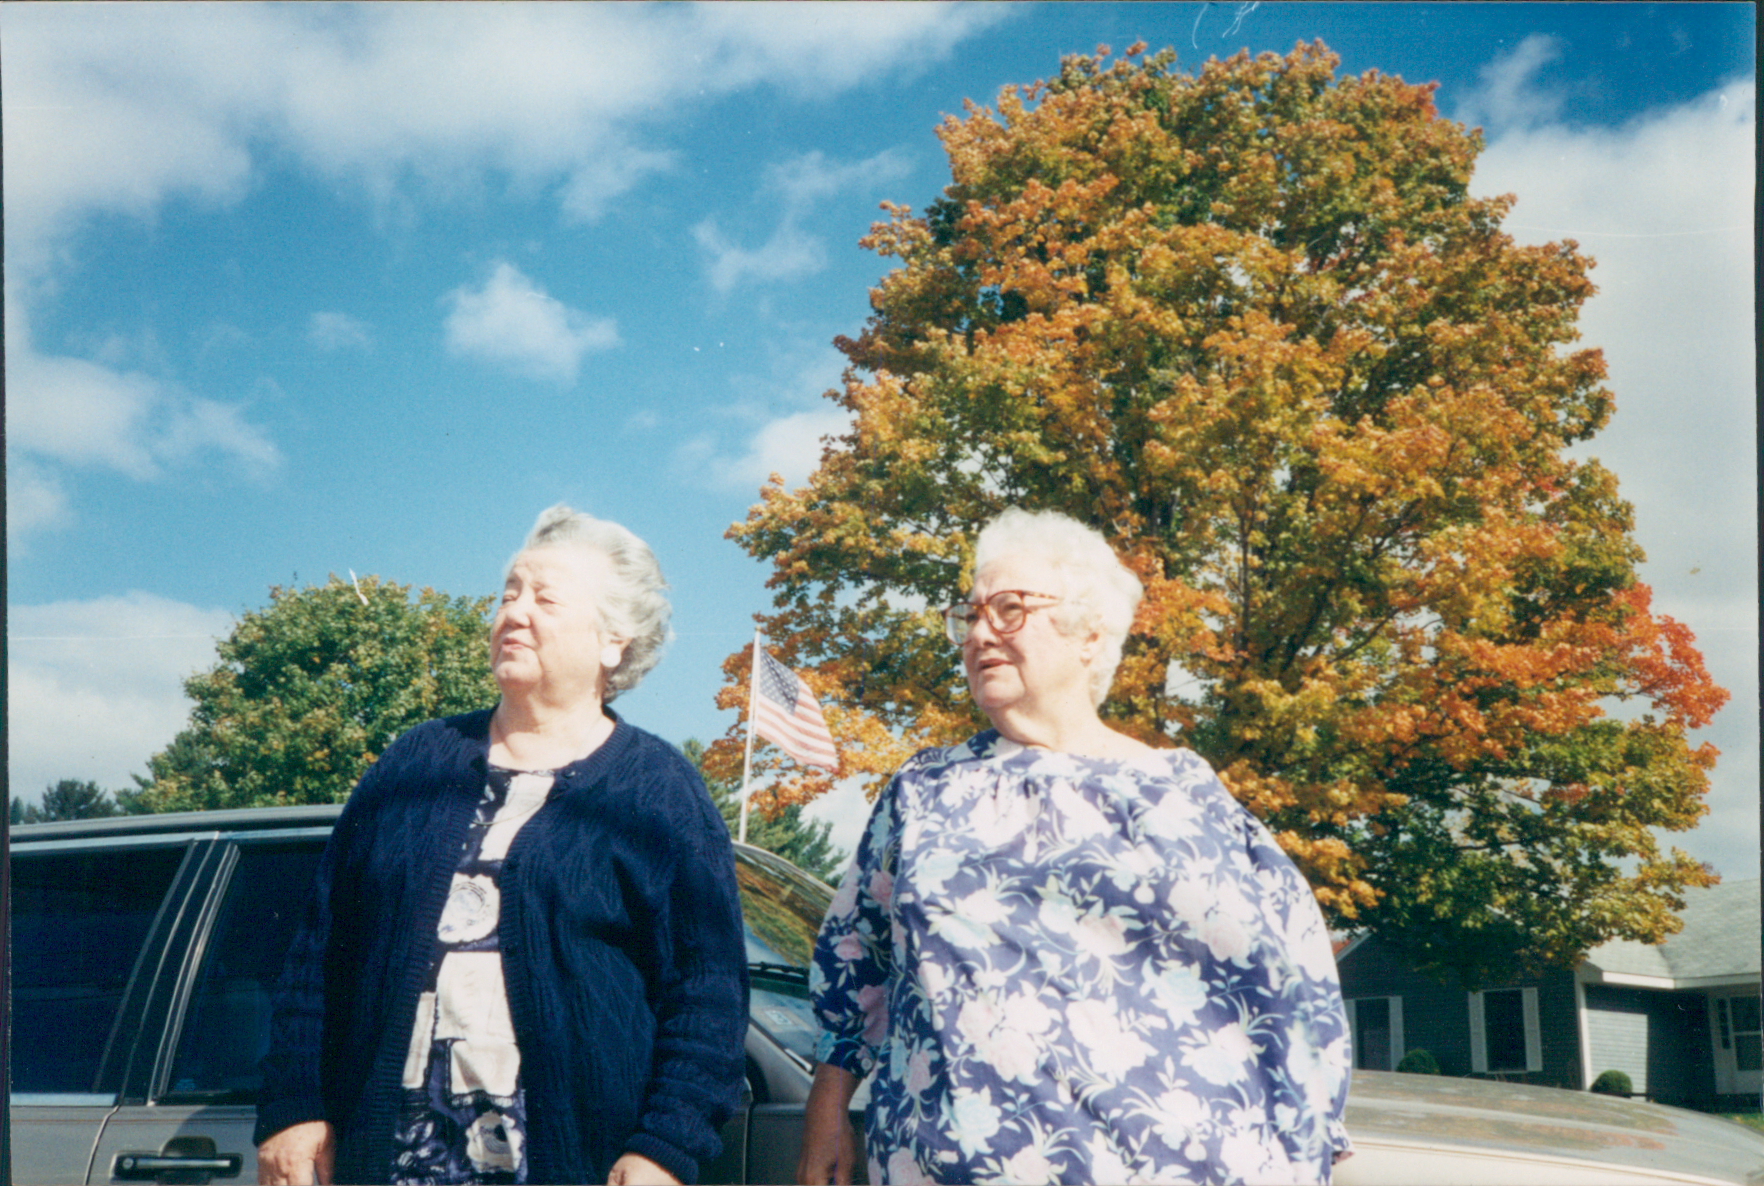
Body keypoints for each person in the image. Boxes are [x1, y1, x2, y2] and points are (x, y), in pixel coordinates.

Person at [798, 508, 1353, 1185]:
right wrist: (826, 1117)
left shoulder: (1183, 792)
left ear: (1091, 634)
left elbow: (1292, 979)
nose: (978, 633)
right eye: (969, 616)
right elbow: (857, 963)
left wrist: (1321, 1142)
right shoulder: (925, 789)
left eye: (1008, 610)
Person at [256, 506, 749, 1186]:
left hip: (569, 1164)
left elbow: (708, 994)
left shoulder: (659, 792)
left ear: (614, 641)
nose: (515, 613)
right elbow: (319, 951)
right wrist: (294, 1105)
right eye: (509, 594)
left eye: (545, 599)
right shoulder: (414, 763)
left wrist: (666, 1148)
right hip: (386, 1159)